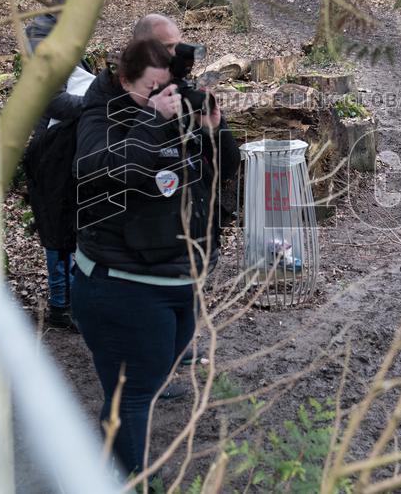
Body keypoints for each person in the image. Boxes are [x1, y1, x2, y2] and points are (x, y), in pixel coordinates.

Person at [71, 37, 239, 478]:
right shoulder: (102, 115)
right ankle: (130, 480)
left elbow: (220, 172)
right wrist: (151, 120)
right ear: (124, 80)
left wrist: (215, 130)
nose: (165, 97)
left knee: (143, 384)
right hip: (125, 284)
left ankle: (112, 467)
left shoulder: (173, 107)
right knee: (133, 395)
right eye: (152, 88)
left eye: (169, 87)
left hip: (179, 278)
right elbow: (99, 170)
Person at [21, 0, 95, 329]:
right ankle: (63, 304)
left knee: (68, 221)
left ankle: (70, 302)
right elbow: (52, 101)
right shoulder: (45, 40)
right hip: (51, 148)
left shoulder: (61, 36)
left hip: (65, 145)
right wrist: (96, 104)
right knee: (57, 223)